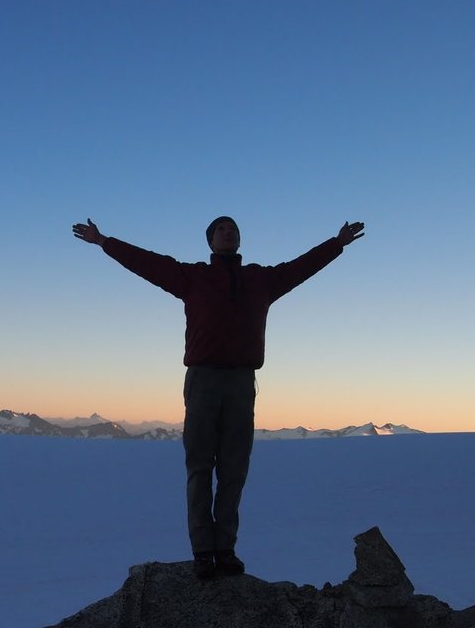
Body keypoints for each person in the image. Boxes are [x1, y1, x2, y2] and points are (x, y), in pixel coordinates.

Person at [72, 214, 365, 579]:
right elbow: (147, 263)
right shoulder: (193, 277)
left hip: (242, 383)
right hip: (203, 381)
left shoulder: (260, 280)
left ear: (239, 240)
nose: (229, 233)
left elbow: (300, 268)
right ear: (210, 241)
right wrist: (104, 241)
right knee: (199, 468)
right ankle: (202, 550)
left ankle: (225, 549)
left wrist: (336, 244)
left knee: (234, 469)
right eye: (221, 230)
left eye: (234, 229)